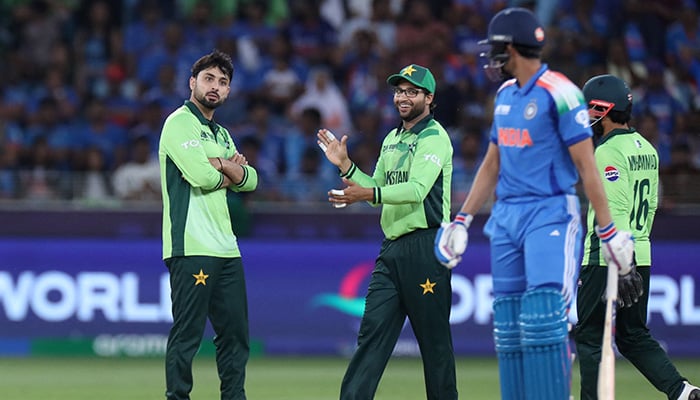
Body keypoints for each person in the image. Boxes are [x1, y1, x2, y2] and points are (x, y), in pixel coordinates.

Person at [433, 8, 635, 400]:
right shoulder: (506, 95)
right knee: (508, 326)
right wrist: (461, 220)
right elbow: (492, 163)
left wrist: (608, 230)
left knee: (543, 318)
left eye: (495, 50)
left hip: (550, 214)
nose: (491, 59)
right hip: (506, 216)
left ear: (510, 47)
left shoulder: (560, 93)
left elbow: (586, 166)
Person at [317, 64, 458, 400]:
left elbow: (417, 190)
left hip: (427, 249)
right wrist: (346, 167)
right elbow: (375, 188)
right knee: (371, 336)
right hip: (392, 250)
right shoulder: (392, 139)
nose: (403, 97)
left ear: (429, 97)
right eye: (399, 91)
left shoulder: (435, 137)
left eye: (411, 91)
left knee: (434, 345)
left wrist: (366, 193)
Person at [575, 74, 700, 400]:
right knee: (632, 335)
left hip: (608, 256)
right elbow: (651, 205)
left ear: (604, 109)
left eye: (590, 110)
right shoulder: (647, 148)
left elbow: (613, 209)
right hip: (640, 251)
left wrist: (621, 262)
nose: (586, 117)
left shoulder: (606, 152)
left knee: (589, 335)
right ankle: (682, 391)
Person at [158, 49, 258, 400]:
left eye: (223, 82)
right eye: (209, 79)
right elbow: (201, 176)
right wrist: (229, 168)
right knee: (187, 335)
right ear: (192, 83)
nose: (215, 87)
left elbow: (252, 181)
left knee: (235, 335)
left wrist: (223, 166)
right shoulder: (178, 123)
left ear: (229, 91)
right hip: (190, 247)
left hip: (227, 249)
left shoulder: (223, 134)